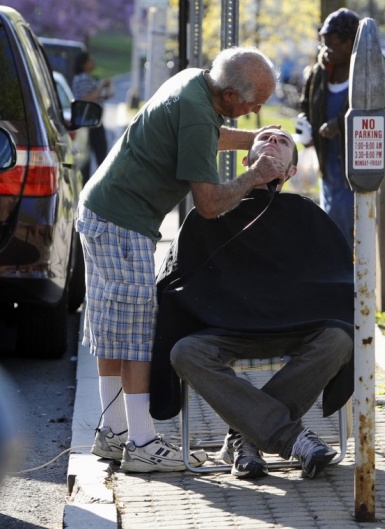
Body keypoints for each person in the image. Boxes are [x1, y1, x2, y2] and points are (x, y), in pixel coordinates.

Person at [76, 46, 285, 473]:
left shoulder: (195, 82)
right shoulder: (196, 112)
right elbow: (208, 204)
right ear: (229, 95)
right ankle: (141, 443)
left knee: (112, 326)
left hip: (102, 210)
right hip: (122, 222)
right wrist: (254, 175)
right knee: (135, 333)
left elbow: (207, 134)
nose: (257, 110)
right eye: (254, 103)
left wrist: (260, 142)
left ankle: (113, 432)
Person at [149, 128, 354, 479]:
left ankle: (244, 437)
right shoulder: (209, 212)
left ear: (290, 171)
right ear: (246, 160)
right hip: (226, 329)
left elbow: (337, 281)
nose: (273, 141)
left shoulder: (308, 216)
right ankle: (289, 437)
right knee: (184, 352)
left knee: (340, 339)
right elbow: (176, 279)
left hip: (294, 327)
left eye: (284, 141)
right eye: (265, 138)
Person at [298, 8, 385, 246]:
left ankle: (352, 283)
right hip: (329, 170)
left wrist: (341, 125)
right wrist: (305, 125)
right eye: (323, 44)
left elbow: (381, 121)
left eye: (332, 45)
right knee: (329, 233)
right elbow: (305, 104)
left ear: (350, 43)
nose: (326, 51)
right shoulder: (320, 73)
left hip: (357, 172)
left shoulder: (375, 77)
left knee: (351, 238)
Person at [71, 52, 113, 172]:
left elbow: (98, 96)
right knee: (99, 155)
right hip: (90, 121)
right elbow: (86, 98)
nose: (93, 62)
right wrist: (101, 88)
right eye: (90, 60)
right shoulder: (83, 78)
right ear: (84, 64)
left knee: (90, 156)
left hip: (90, 121)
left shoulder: (85, 78)